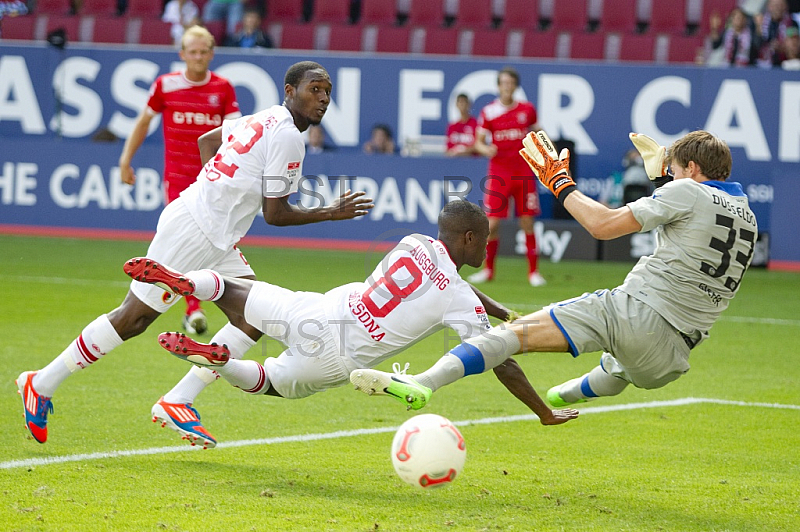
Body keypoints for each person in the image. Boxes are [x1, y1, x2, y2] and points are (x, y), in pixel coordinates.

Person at [16, 61, 374, 446]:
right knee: (134, 318)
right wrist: (330, 213)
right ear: (290, 91)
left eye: (327, 91)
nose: (322, 98)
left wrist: (217, 195)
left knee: (252, 317)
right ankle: (42, 382)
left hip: (210, 230)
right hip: (194, 231)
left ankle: (178, 399)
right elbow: (276, 214)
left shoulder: (265, 116)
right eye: (314, 89)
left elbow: (207, 141)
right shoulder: (288, 137)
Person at [351, 130, 758, 414]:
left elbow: (603, 225)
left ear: (689, 167)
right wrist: (665, 176)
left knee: (510, 334)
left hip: (636, 313)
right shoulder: (748, 218)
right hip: (672, 357)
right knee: (619, 370)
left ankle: (424, 382)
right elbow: (699, 213)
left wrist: (560, 183)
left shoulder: (684, 190)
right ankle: (564, 395)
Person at [125, 200, 578, 446]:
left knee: (232, 291)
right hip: (338, 359)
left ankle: (185, 281)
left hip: (319, 311)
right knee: (266, 380)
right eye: (484, 241)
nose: (487, 248)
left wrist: (498, 309)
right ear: (467, 238)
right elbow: (499, 360)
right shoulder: (459, 298)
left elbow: (453, 279)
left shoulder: (414, 241)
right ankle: (220, 362)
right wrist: (542, 412)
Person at [118, 25, 240, 335]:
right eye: (193, 52)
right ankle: (193, 309)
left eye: (204, 51)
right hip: (177, 182)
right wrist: (125, 159)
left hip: (213, 183)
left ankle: (213, 307)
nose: (198, 57)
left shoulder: (223, 88)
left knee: (215, 245)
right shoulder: (165, 86)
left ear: (212, 53)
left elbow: (236, 135)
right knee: (183, 244)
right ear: (182, 54)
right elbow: (144, 122)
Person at [468, 67, 545, 287]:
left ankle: (533, 272)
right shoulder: (489, 111)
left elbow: (539, 132)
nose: (507, 86)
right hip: (499, 173)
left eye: (510, 83)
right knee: (491, 225)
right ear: (498, 86)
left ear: (515, 86)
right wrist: (486, 149)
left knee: (527, 222)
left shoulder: (527, 109)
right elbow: (478, 142)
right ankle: (488, 270)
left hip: (523, 171)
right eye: (503, 82)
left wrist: (546, 148)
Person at [755, 0, 799, 67]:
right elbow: (754, 44)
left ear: (785, 7)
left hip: (785, 61)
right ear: (769, 7)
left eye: (781, 5)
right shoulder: (761, 23)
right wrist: (758, 32)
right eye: (775, 5)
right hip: (762, 62)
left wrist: (783, 46)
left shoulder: (791, 23)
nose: (778, 8)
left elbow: (794, 42)